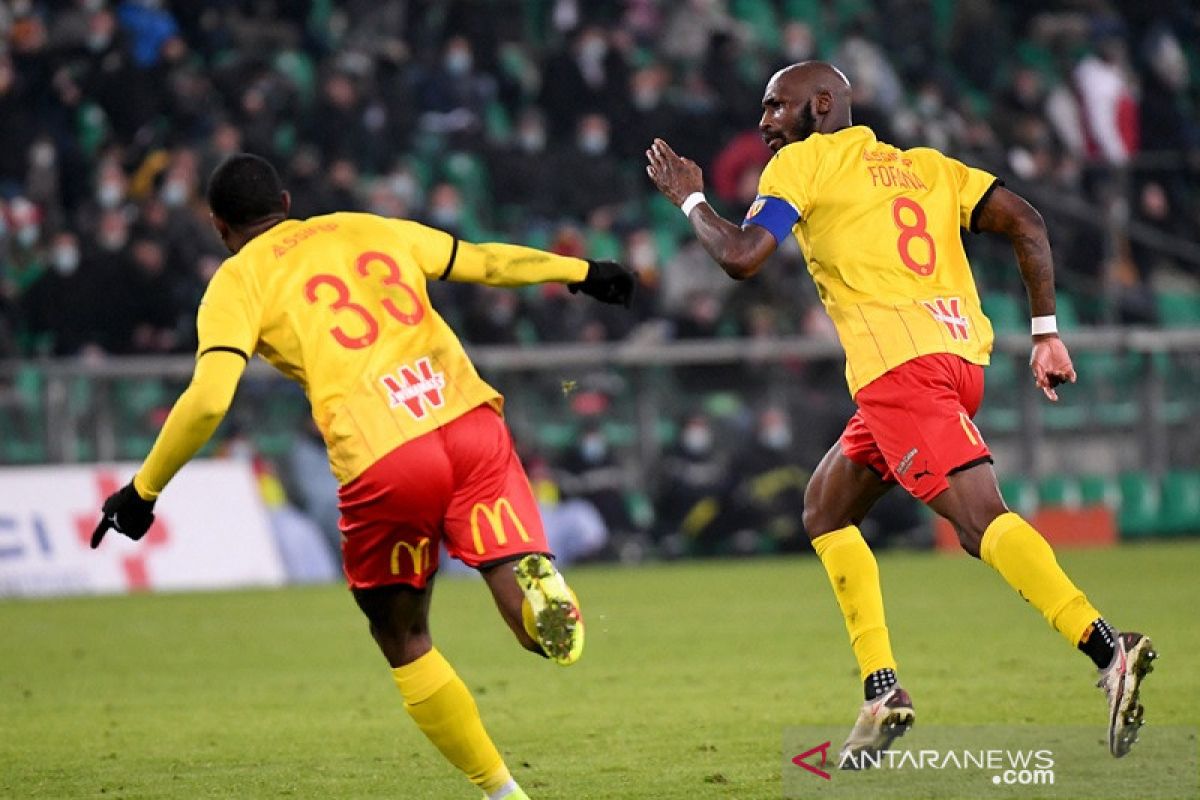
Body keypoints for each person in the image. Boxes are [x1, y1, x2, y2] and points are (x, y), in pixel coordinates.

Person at [645, 61, 1155, 764]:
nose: (764, 122)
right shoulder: (926, 167)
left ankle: (1108, 649)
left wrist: (689, 200)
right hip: (954, 362)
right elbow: (1026, 222)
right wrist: (1045, 333)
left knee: (981, 522)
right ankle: (883, 691)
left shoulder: (804, 164)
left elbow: (740, 256)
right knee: (824, 509)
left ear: (820, 106)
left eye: (775, 106)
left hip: (899, 371)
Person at [90, 153, 635, 799]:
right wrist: (583, 271)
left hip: (386, 451)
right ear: (287, 201)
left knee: (402, 632)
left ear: (219, 226)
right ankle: (536, 587)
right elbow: (486, 261)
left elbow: (209, 400)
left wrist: (143, 490)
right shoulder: (369, 226)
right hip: (468, 418)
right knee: (510, 577)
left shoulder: (237, 280)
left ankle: (502, 791)